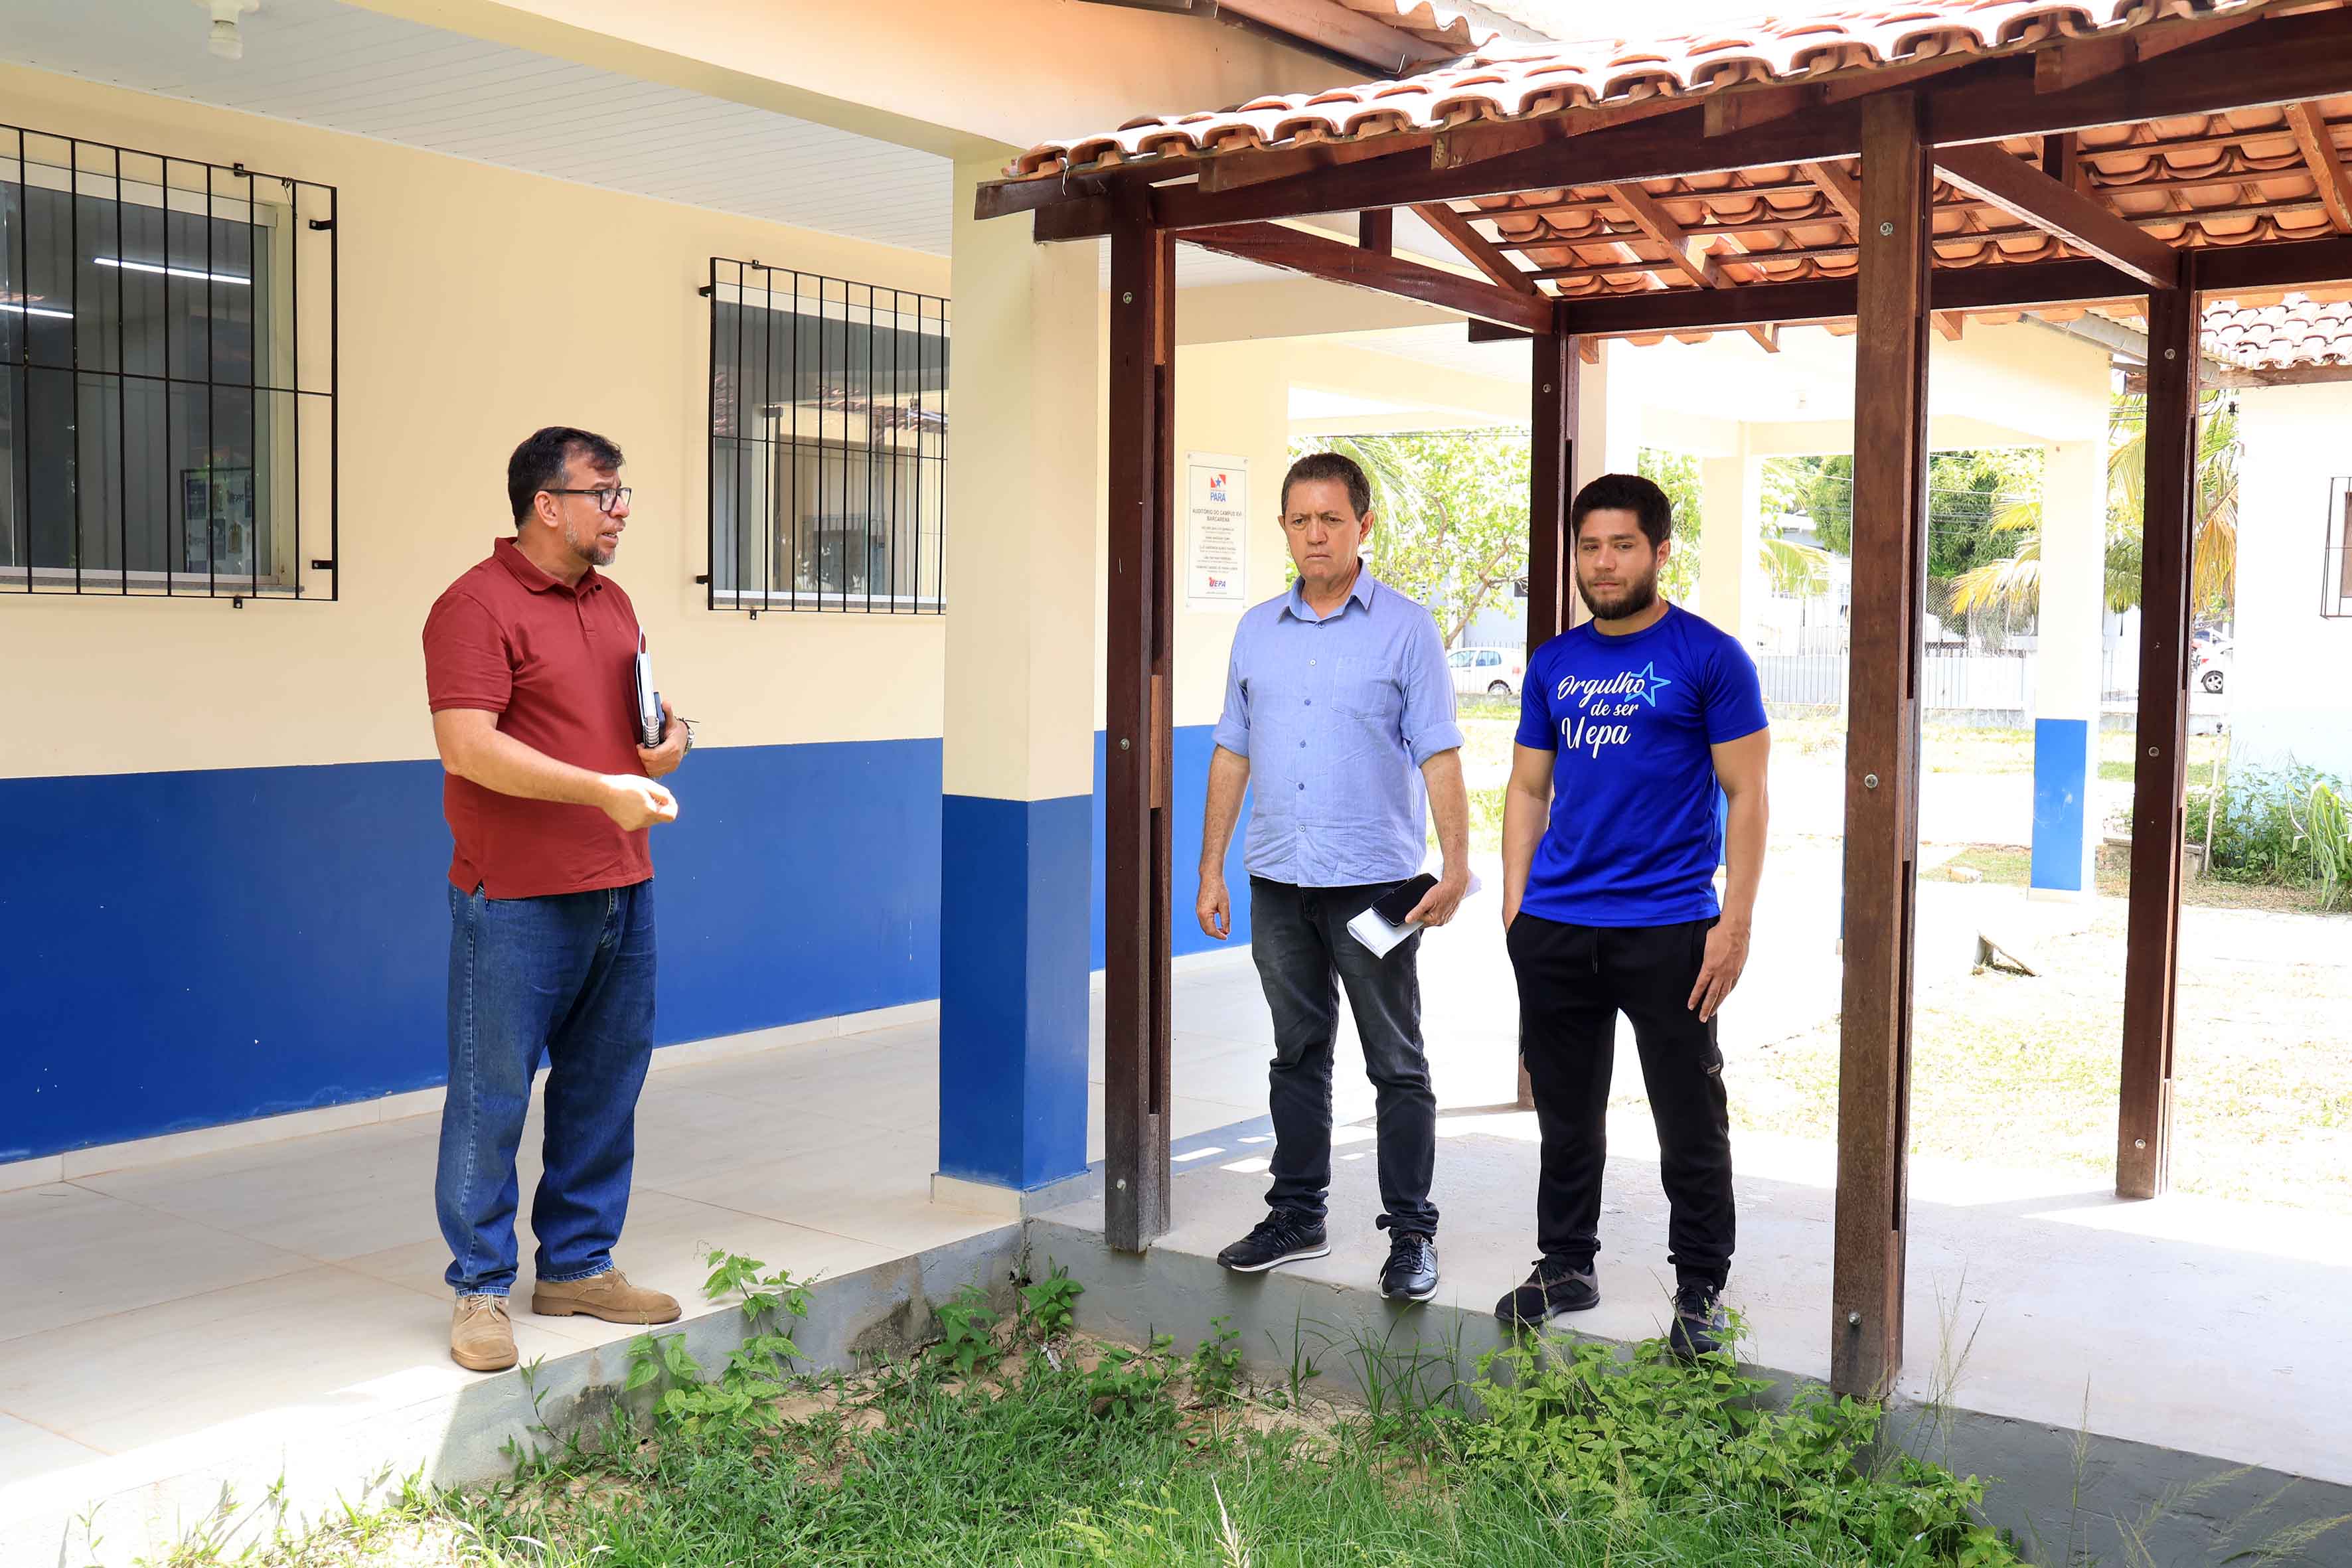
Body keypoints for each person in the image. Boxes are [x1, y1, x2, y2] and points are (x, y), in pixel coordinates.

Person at [422, 426, 695, 1372]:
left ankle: (578, 1265)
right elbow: (468, 746)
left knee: (604, 1086)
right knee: (491, 1096)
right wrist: (601, 790)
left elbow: (639, 723)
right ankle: (479, 1288)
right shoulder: (473, 606)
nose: (621, 512)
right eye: (603, 494)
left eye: (624, 494)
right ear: (547, 504)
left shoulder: (613, 603)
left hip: (622, 884)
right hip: (515, 897)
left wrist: (672, 741)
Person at [1494, 472, 1769, 1360]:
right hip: (1557, 923)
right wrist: (1516, 903)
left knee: (1687, 1113)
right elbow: (1527, 786)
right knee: (1565, 1111)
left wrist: (1734, 922)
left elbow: (1747, 792)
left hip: (1668, 926)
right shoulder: (1553, 662)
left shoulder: (1709, 657)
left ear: (1659, 551)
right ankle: (1565, 1263)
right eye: (1589, 546)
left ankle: (1700, 1288)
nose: (1603, 563)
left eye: (1621, 545)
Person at [1196, 451, 1471, 1303]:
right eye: (1300, 520)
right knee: (1297, 1052)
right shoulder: (1255, 631)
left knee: (1396, 1061)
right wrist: (1211, 868)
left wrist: (1458, 864)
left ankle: (1412, 1233)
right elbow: (1232, 752)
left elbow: (1439, 751)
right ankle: (1297, 1215)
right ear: (1283, 528)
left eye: (1331, 519)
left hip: (1374, 885)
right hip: (1279, 880)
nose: (1315, 534)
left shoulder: (1407, 629)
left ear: (1363, 526)